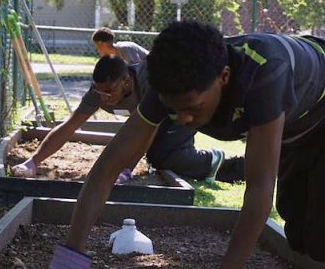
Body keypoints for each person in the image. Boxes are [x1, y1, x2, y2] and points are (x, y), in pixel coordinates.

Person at [38, 20, 325, 269]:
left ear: (224, 77)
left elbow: (260, 184)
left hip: (318, 119)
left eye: (192, 107)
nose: (183, 119)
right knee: (300, 238)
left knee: (319, 240)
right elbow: (110, 164)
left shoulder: (265, 75)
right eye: (172, 109)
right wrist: (70, 259)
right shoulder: (167, 82)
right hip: (295, 129)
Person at [12, 55, 241, 184]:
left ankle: (227, 164)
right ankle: (214, 162)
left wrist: (126, 169)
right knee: (160, 157)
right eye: (100, 92)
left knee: (162, 156)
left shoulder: (149, 82)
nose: (104, 98)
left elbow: (146, 131)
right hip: (156, 117)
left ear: (126, 82)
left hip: (179, 108)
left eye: (109, 91)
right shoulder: (99, 92)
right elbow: (69, 126)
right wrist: (33, 162)